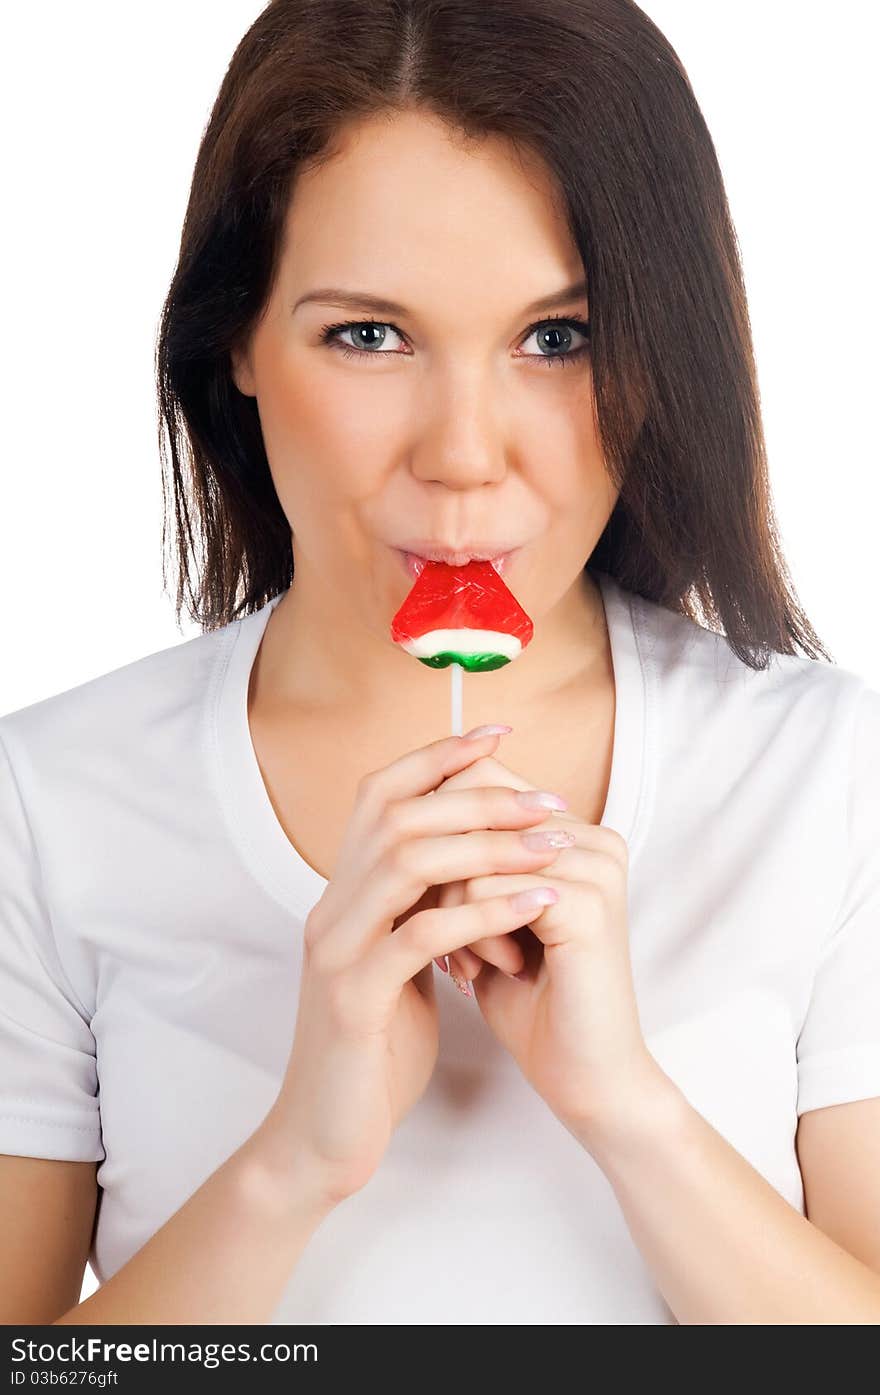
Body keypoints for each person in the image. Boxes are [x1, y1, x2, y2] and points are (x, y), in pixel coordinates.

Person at [1, 0, 879, 1327]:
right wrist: (298, 1159)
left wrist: (626, 1108)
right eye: (369, 335)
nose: (464, 452)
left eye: (558, 338)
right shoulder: (43, 806)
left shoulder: (826, 773)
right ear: (236, 341)